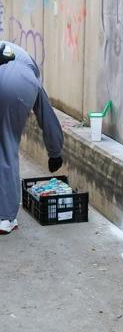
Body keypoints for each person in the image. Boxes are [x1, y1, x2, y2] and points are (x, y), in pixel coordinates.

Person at [0, 41, 64, 234]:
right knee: (6, 148)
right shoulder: (30, 75)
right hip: (19, 89)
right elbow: (47, 115)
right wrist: (55, 153)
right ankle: (6, 218)